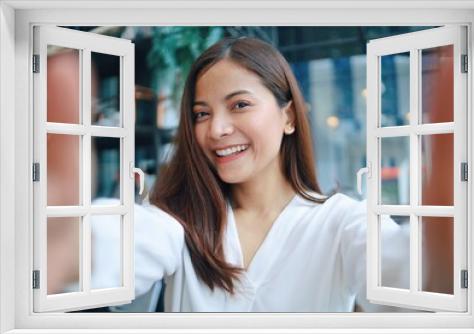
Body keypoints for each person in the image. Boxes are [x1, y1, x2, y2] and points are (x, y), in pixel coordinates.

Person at [92, 36, 409, 312]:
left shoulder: (341, 223)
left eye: (240, 105)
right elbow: (100, 249)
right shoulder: (178, 221)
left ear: (289, 117)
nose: (216, 129)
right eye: (201, 114)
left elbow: (410, 282)